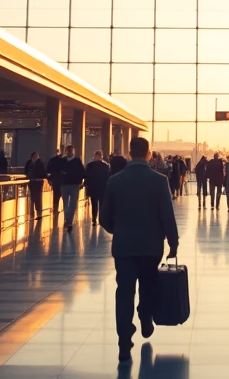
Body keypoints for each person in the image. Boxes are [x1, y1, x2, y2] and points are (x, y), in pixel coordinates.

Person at [100, 137, 179, 364]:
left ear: (129, 152)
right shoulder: (159, 180)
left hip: (124, 247)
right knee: (148, 285)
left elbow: (104, 217)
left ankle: (124, 342)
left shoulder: (115, 181)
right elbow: (167, 215)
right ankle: (145, 316)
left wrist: (120, 230)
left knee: (124, 292)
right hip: (150, 246)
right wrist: (173, 242)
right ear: (148, 154)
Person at [59, 145, 86, 231]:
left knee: (72, 204)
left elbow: (83, 172)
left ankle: (69, 221)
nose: (70, 152)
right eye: (69, 151)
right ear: (66, 152)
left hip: (74, 185)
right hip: (65, 185)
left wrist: (80, 181)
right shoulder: (62, 161)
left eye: (72, 151)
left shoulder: (77, 161)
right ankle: (68, 220)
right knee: (66, 204)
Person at [85, 150, 111, 226]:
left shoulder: (90, 165)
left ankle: (94, 218)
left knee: (94, 204)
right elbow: (108, 176)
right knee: (101, 204)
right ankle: (100, 218)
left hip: (93, 187)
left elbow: (87, 176)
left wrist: (87, 186)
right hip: (102, 188)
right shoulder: (105, 166)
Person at [25, 152, 47, 220]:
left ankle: (38, 213)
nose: (36, 157)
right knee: (32, 198)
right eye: (35, 156)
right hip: (31, 182)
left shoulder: (40, 163)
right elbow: (26, 171)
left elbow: (43, 173)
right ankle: (32, 214)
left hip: (38, 183)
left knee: (37, 198)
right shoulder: (29, 163)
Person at [46, 149, 66, 219]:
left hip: (55, 179)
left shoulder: (52, 160)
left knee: (56, 194)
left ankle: (55, 208)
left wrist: (49, 179)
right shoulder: (64, 161)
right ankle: (65, 209)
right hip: (62, 180)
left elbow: (48, 170)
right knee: (63, 195)